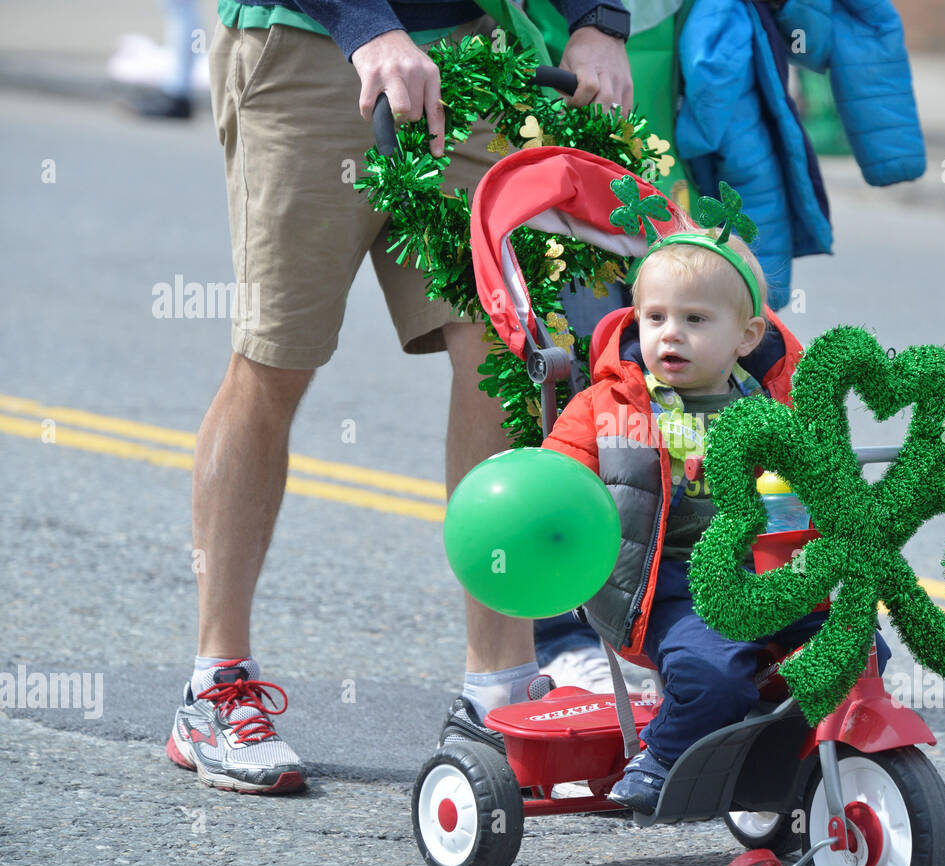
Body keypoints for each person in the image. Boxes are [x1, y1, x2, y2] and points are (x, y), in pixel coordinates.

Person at [167, 0, 634, 794]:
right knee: (276, 359)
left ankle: (501, 682)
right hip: (311, 47)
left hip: (467, 48)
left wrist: (596, 19)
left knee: (503, 349)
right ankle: (217, 683)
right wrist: (366, 25)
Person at [538, 228, 890, 813]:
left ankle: (791, 762)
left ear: (747, 336)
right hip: (670, 585)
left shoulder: (773, 404)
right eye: (654, 317)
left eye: (696, 320)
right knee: (712, 676)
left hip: (773, 574)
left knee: (862, 647)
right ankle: (663, 756)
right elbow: (559, 481)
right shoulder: (610, 406)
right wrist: (542, 493)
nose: (670, 334)